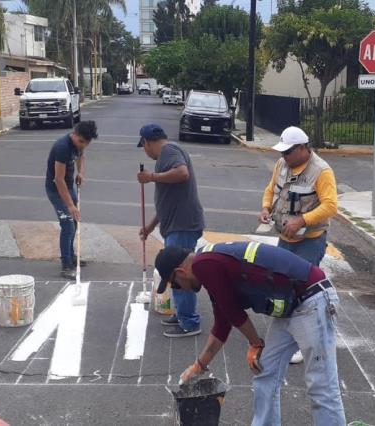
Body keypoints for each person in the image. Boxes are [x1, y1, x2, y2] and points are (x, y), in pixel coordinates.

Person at [158, 241, 346, 425]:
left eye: (174, 285)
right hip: (292, 306)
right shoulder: (207, 263)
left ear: (180, 272)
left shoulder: (204, 265)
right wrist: (199, 366)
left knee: (321, 385)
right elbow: (223, 323)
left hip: (313, 300)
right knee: (265, 371)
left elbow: (233, 312)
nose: (180, 289)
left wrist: (255, 343)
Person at [258, 126, 338, 364]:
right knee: (281, 284)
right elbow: (271, 189)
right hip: (285, 237)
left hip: (309, 241)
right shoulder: (281, 165)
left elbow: (330, 205)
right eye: (282, 152)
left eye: (288, 152)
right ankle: (286, 335)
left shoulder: (321, 171)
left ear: (303, 148)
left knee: (302, 290)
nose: (284, 157)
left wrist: (302, 219)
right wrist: (265, 208)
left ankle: (300, 342)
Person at [137, 123, 204, 338]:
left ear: (147, 142)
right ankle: (183, 314)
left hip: (182, 224)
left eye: (144, 146)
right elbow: (167, 201)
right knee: (174, 273)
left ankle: (189, 322)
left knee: (180, 272)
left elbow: (182, 173)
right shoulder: (167, 156)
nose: (145, 152)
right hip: (177, 223)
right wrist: (150, 226)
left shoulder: (169, 151)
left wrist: (152, 177)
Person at [45, 120, 98, 279]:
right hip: (56, 190)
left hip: (69, 187)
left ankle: (72, 255)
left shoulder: (79, 145)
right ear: (74, 134)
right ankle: (66, 265)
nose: (83, 145)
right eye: (81, 141)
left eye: (86, 143)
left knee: (74, 223)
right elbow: (58, 180)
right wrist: (70, 206)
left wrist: (80, 172)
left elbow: (81, 157)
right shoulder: (62, 147)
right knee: (68, 224)